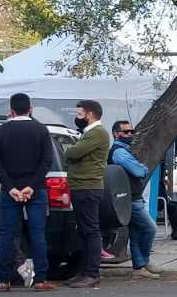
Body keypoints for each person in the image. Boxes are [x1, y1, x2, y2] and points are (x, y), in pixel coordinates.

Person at [0, 94, 56, 291]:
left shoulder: (1, 131)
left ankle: (3, 279)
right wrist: (31, 186)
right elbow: (46, 161)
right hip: (36, 190)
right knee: (37, 233)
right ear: (30, 109)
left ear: (11, 110)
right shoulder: (41, 130)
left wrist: (11, 188)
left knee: (7, 234)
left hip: (10, 191)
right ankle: (41, 279)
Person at [106, 120, 163, 278]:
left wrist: (139, 166)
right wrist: (141, 167)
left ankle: (140, 266)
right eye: (126, 132)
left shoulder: (124, 150)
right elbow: (139, 171)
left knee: (136, 233)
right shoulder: (119, 152)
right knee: (150, 228)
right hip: (130, 199)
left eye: (132, 131)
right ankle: (143, 261)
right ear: (116, 134)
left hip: (131, 197)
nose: (130, 134)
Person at [63, 100, 110, 288]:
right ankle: (84, 271)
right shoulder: (89, 133)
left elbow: (73, 153)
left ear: (90, 114)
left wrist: (70, 151)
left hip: (88, 187)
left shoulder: (97, 133)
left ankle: (92, 273)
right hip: (81, 186)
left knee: (90, 231)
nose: (77, 117)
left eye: (80, 114)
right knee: (84, 231)